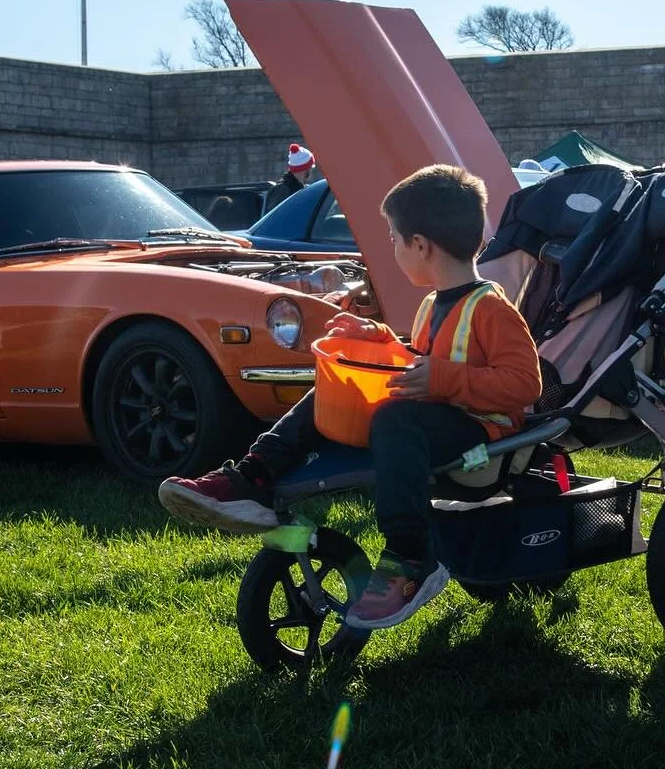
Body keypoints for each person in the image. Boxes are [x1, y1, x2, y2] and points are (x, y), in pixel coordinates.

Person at [158, 164, 542, 629]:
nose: (393, 249)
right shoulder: (433, 304)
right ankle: (252, 478)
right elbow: (421, 361)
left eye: (394, 239)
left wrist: (440, 378)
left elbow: (525, 384)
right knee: (333, 387)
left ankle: (410, 556)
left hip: (483, 441)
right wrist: (380, 340)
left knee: (394, 420)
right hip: (437, 421)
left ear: (421, 245)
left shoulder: (492, 308)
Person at [263, 142, 315, 213]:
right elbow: (275, 218)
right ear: (306, 169)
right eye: (311, 167)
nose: (311, 170)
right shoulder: (282, 190)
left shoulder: (298, 187)